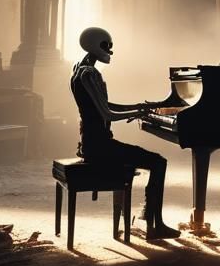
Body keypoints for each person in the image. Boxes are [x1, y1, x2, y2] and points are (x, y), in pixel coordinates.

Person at [70, 26, 179, 240]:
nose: (110, 51)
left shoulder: (78, 69)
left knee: (152, 160)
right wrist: (137, 112)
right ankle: (153, 223)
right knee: (159, 162)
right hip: (100, 147)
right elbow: (107, 114)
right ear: (94, 45)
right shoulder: (89, 73)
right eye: (106, 46)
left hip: (90, 143)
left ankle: (149, 218)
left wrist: (139, 107)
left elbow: (104, 105)